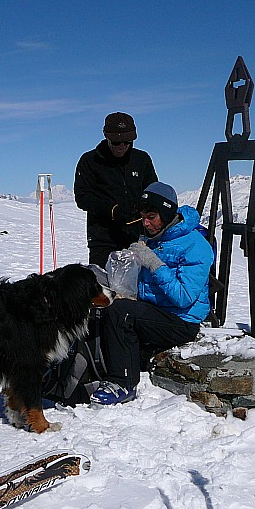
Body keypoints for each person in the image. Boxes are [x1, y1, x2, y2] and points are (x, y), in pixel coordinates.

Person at [90, 182, 214, 405]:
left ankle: (123, 383)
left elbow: (183, 297)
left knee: (121, 312)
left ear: (166, 214)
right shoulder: (156, 238)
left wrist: (153, 264)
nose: (145, 223)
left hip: (182, 321)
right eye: (143, 217)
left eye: (152, 217)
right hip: (154, 311)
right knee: (104, 302)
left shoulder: (196, 246)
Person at [74, 112, 158, 267]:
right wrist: (112, 211)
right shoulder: (89, 161)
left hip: (138, 235)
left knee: (138, 286)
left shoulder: (142, 159)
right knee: (104, 286)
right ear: (107, 137)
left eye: (127, 142)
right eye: (117, 142)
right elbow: (83, 197)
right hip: (103, 238)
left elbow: (152, 192)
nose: (122, 146)